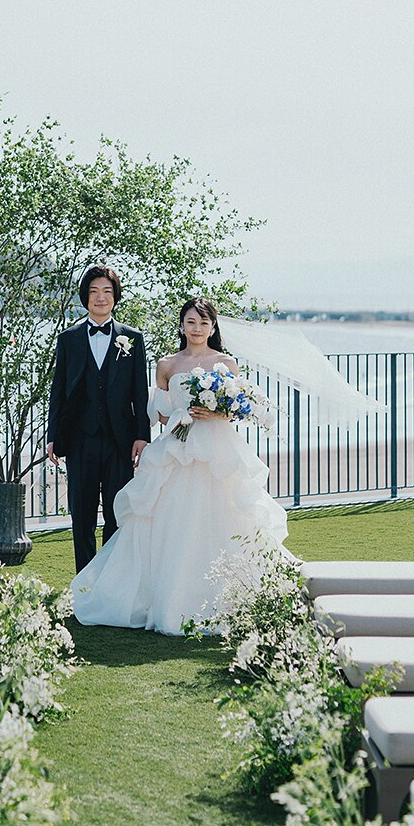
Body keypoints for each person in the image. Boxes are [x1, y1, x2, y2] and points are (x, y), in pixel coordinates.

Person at [70, 296, 291, 635]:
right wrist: (181, 414)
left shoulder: (226, 363)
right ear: (182, 326)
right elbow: (158, 413)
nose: (197, 328)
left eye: (203, 323)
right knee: (168, 518)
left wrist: (215, 412)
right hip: (178, 447)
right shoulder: (166, 364)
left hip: (216, 449)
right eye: (190, 322)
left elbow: (237, 410)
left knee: (223, 515)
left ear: (213, 327)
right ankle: (163, 596)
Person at [46, 266, 150, 573]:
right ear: (85, 298)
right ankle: (84, 586)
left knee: (116, 516)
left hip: (121, 441)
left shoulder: (132, 338)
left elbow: (139, 393)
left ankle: (111, 585)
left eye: (107, 292)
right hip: (80, 440)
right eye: (94, 292)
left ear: (115, 297)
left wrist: (142, 436)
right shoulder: (69, 339)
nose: (100, 298)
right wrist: (52, 435)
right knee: (82, 515)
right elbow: (59, 390)